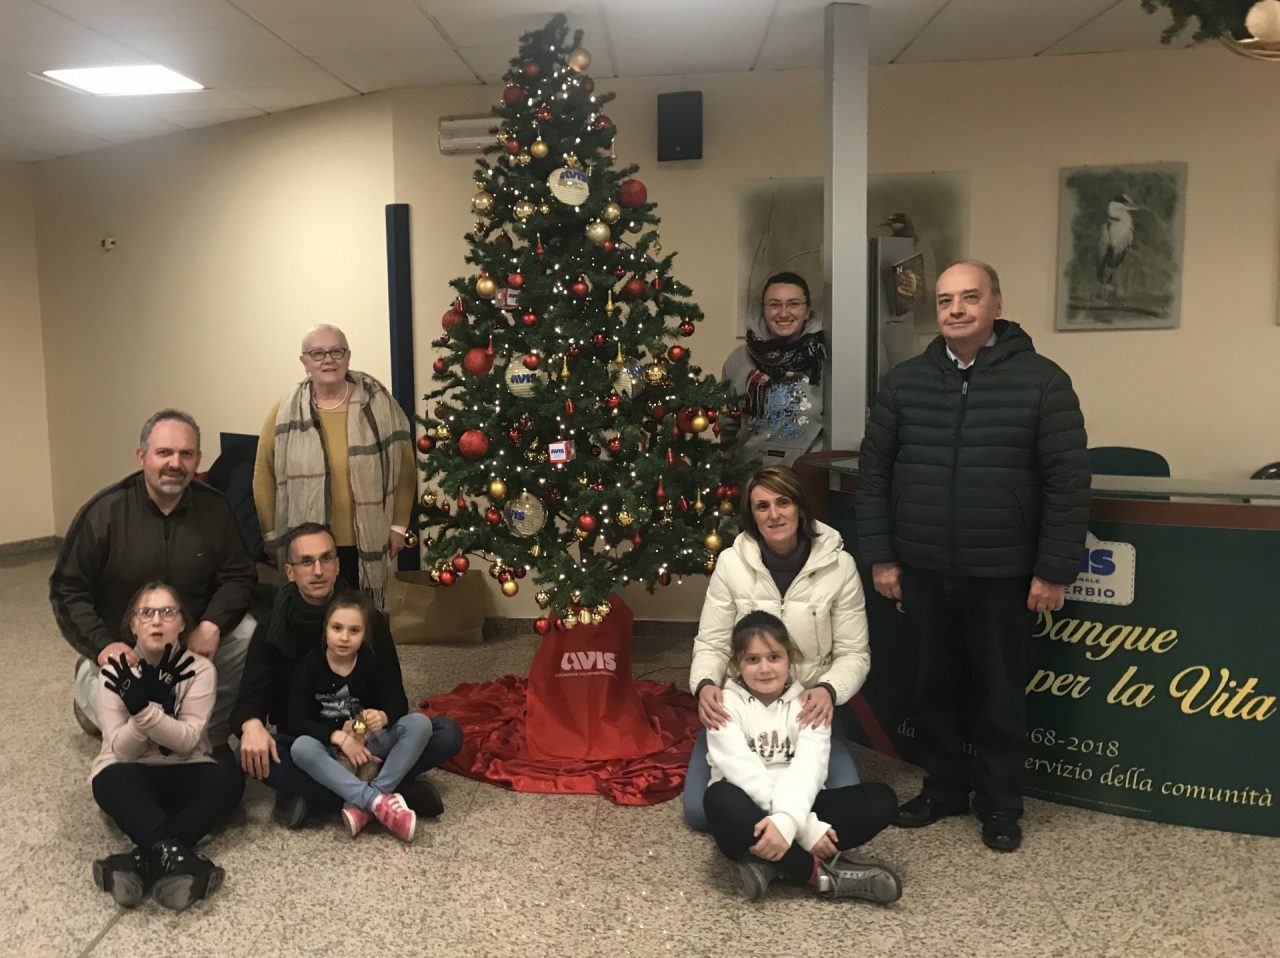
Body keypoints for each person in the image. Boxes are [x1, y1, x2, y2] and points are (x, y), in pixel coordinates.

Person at [855, 259, 1090, 853]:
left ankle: (1001, 802)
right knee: (932, 686)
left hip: (1003, 572)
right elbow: (874, 474)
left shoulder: (1043, 382)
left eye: (969, 297)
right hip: (923, 568)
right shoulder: (905, 383)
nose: (956, 310)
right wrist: (882, 557)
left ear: (996, 305)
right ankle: (943, 789)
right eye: (945, 300)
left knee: (1000, 693)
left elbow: (1068, 483)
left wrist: (1053, 570)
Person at [231, 522, 461, 827]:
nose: (318, 571)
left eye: (326, 558)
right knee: (246, 753)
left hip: (367, 738)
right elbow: (250, 699)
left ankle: (324, 796)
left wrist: (377, 719)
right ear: (289, 571)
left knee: (446, 733)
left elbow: (394, 698)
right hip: (307, 739)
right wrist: (251, 725)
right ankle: (393, 791)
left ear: (338, 565)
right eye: (306, 562)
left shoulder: (367, 619)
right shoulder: (271, 627)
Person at [51, 409, 257, 748]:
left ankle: (210, 736)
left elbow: (240, 575)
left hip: (190, 634)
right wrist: (102, 646)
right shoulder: (103, 512)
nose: (175, 463)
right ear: (142, 456)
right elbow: (67, 590)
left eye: (186, 454)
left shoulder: (217, 509)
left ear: (197, 459)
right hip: (125, 642)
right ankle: (88, 690)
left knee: (245, 631)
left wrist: (212, 624)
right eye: (164, 452)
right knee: (133, 740)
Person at [685, 465, 870, 831]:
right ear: (752, 515)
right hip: (742, 710)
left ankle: (776, 827)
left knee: (845, 796)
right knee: (700, 813)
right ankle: (789, 823)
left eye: (783, 502)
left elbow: (854, 653)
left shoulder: (840, 565)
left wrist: (828, 690)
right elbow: (712, 643)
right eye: (762, 506)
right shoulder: (731, 564)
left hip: (807, 711)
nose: (774, 514)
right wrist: (705, 684)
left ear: (800, 506)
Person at [704, 611, 900, 902]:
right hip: (750, 806)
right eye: (752, 659)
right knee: (719, 798)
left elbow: (810, 769)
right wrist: (804, 829)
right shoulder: (723, 705)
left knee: (881, 800)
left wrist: (787, 823)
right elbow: (742, 770)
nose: (765, 668)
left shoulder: (810, 704)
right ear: (737, 664)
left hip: (801, 800)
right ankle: (816, 874)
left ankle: (771, 863)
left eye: (774, 657)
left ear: (790, 658)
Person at [89, 582, 244, 911]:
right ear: (133, 624)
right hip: (131, 773)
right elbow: (123, 751)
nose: (156, 621)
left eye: (168, 612)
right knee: (107, 781)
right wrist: (147, 709)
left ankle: (140, 860)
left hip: (186, 767)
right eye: (146, 613)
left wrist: (144, 710)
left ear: (182, 623)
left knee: (230, 782)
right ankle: (180, 859)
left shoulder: (199, 669)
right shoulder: (114, 673)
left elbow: (187, 741)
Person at [254, 324, 415, 609]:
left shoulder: (380, 405)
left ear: (348, 356)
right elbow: (263, 475)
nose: (328, 360)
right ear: (304, 362)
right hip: (307, 545)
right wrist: (270, 534)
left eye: (336, 351)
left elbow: (405, 469)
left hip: (365, 540)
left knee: (362, 618)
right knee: (311, 619)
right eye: (317, 354)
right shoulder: (283, 412)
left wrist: (399, 526)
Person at [288, 591, 434, 842]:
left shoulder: (370, 659)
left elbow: (398, 702)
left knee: (421, 724)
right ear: (325, 629)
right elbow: (297, 721)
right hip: (331, 749)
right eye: (337, 628)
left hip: (368, 742)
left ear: (365, 634)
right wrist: (339, 738)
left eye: (354, 631)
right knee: (300, 748)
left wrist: (383, 716)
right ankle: (378, 801)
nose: (344, 637)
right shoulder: (307, 665)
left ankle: (366, 801)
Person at [720, 272, 826, 467]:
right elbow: (728, 424)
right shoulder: (739, 360)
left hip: (807, 476)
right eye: (774, 304)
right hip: (750, 475)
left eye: (793, 304)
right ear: (764, 310)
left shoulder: (824, 358)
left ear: (807, 311)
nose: (783, 313)